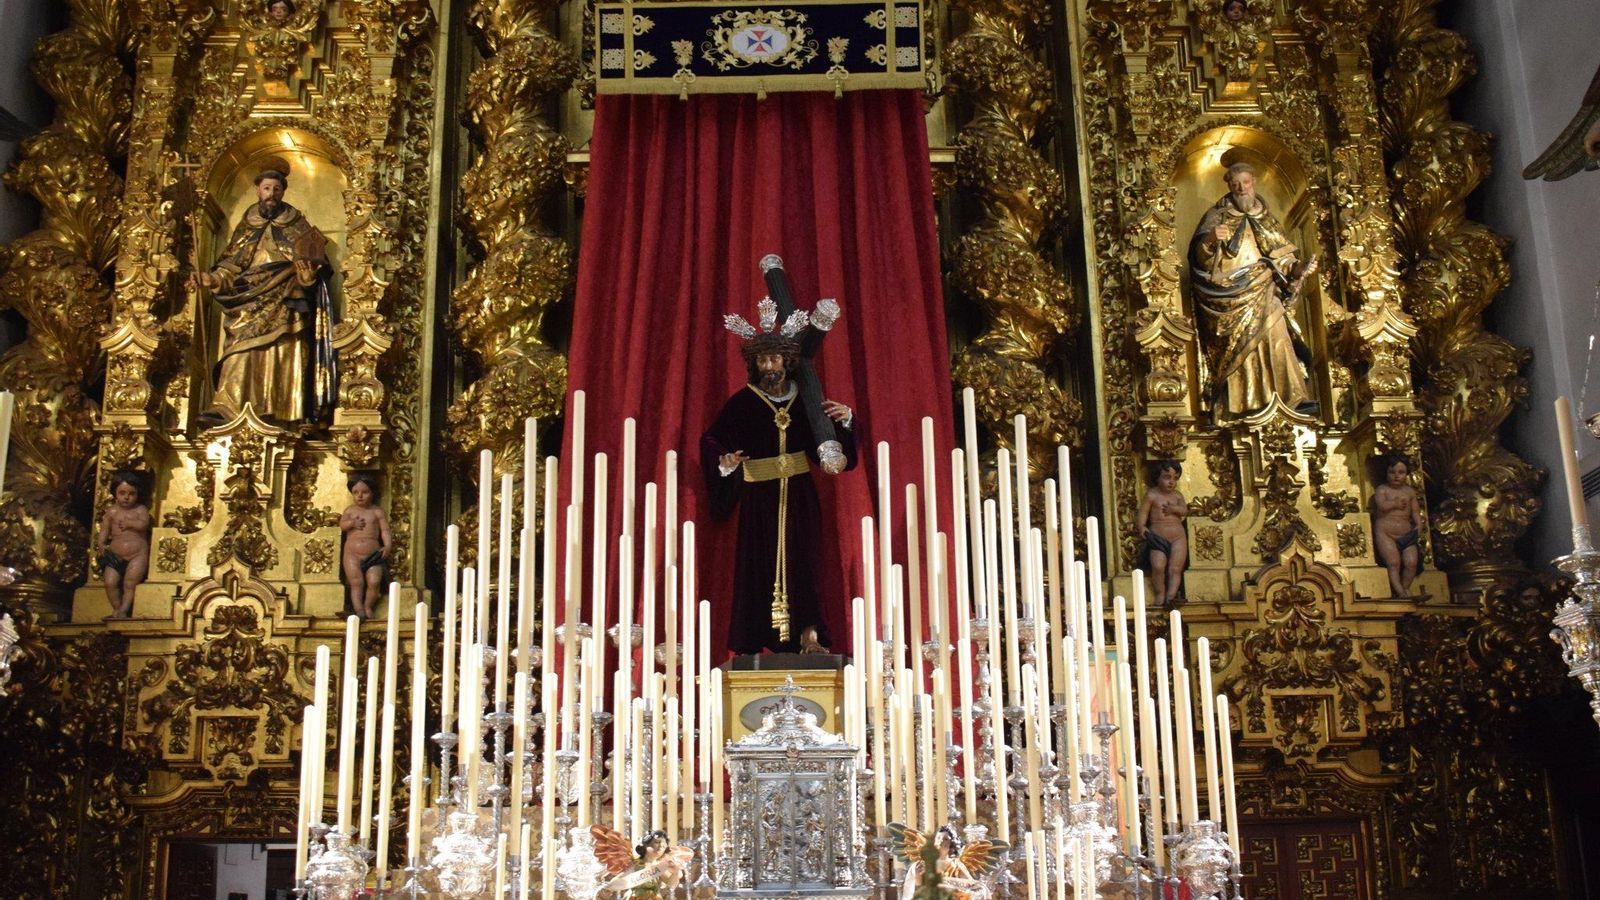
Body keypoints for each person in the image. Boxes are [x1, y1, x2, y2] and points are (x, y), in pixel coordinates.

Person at [702, 313, 857, 655]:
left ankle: (810, 635)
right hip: (759, 499)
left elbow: (828, 451)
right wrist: (724, 462)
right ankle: (752, 641)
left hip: (800, 497)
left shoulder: (807, 401)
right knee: (757, 566)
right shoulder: (742, 402)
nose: (768, 365)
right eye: (762, 359)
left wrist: (846, 421)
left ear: (786, 361)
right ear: (754, 364)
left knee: (806, 564)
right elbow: (713, 439)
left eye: (773, 358)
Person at [191, 156, 336, 425]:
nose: (271, 194)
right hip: (247, 295)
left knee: (283, 346)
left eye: (277, 189)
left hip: (285, 294)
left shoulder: (296, 224)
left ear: (283, 192)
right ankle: (226, 407)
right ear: (258, 190)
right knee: (238, 349)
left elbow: (314, 267)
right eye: (267, 188)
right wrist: (211, 279)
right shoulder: (248, 224)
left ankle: (284, 408)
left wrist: (306, 278)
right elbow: (232, 263)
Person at [1190, 161, 1317, 418]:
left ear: (1254, 182)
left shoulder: (1265, 218)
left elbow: (1283, 257)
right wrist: (1212, 237)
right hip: (1228, 296)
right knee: (1238, 350)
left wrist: (1299, 268)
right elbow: (1199, 260)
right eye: (1235, 185)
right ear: (1229, 187)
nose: (1241, 189)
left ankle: (1292, 397)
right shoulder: (1217, 216)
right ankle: (1239, 405)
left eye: (1245, 183)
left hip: (1264, 287)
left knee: (1278, 336)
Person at [1135, 460, 1188, 607]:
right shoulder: (1152, 495)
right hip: (1158, 537)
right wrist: (1141, 527)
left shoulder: (1177, 496)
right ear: (1157, 477)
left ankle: (1170, 597)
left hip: (1178, 537)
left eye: (1175, 478)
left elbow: (1184, 510)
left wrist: (1174, 509)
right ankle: (1160, 593)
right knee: (1158, 567)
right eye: (1166, 477)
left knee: (1175, 568)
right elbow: (1143, 513)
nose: (1171, 482)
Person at [99, 471, 151, 618]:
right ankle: (117, 608)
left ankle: (124, 609)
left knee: (130, 583)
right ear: (115, 494)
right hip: (115, 554)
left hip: (137, 554)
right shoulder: (112, 512)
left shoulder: (141, 510)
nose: (127, 497)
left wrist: (130, 524)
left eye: (131, 494)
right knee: (110, 582)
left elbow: (144, 525)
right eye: (122, 493)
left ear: (137, 495)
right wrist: (101, 543)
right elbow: (104, 530)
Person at [339, 473, 391, 619]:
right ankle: (359, 609)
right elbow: (342, 525)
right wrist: (352, 523)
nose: (360, 496)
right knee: (356, 582)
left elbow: (385, 530)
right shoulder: (350, 510)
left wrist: (387, 546)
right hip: (352, 553)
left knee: (374, 581)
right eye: (355, 492)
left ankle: (368, 606)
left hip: (373, 554)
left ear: (372, 493)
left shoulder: (376, 512)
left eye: (365, 492)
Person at [1373, 454, 1423, 597]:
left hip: (1406, 533)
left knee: (1411, 562)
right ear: (1386, 473)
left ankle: (1405, 586)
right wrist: (1394, 503)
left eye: (1401, 473)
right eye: (1392, 472)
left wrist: (1418, 525)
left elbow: (1415, 511)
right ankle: (1400, 591)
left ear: (1407, 474)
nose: (1396, 476)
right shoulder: (1382, 490)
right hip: (1385, 532)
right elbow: (1381, 506)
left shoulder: (1409, 492)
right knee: (1394, 562)